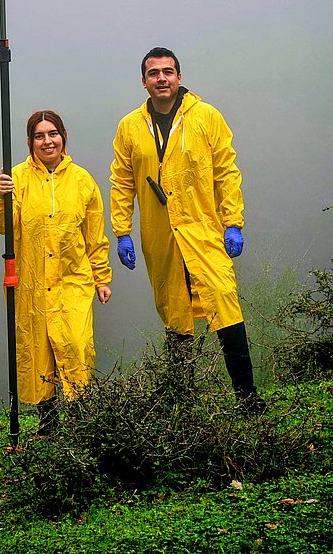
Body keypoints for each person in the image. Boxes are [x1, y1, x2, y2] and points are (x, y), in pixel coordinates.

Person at [110, 48, 264, 410]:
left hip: (204, 229)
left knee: (224, 302)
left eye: (168, 71)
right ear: (144, 81)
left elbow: (227, 172)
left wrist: (233, 222)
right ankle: (183, 401)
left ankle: (247, 397)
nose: (161, 78)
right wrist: (122, 231)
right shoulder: (130, 126)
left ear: (179, 77)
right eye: (153, 73)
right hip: (159, 233)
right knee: (174, 309)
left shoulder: (206, 117)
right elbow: (122, 180)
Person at [0, 109, 112, 435]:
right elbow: (1, 225)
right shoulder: (17, 179)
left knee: (76, 344)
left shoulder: (83, 181)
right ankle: (49, 420)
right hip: (31, 282)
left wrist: (102, 278)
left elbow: (94, 235)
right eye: (39, 136)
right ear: (30, 142)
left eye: (52, 133)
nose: (47, 141)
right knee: (37, 351)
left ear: (63, 137)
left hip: (73, 280)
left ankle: (82, 417)